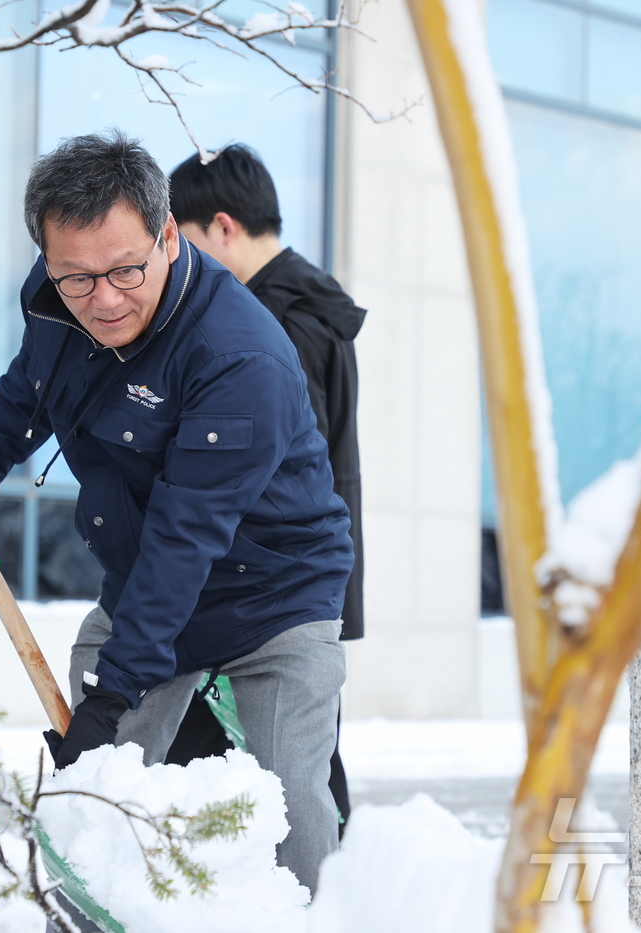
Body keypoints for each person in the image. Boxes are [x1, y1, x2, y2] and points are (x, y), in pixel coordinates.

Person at [0, 131, 353, 900]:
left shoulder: (237, 357)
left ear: (170, 236)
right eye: (76, 278)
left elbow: (188, 538)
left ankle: (316, 913)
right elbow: (35, 378)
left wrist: (114, 694)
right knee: (95, 781)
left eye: (125, 270)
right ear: (49, 260)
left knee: (290, 797)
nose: (103, 299)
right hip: (147, 570)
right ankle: (80, 903)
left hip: (273, 590)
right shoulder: (62, 301)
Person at [167, 144, 367, 831]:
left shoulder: (274, 325)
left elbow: (267, 478)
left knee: (282, 787)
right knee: (298, 779)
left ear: (222, 227)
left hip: (266, 591)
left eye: (183, 242)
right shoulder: (309, 311)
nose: (176, 267)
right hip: (285, 587)